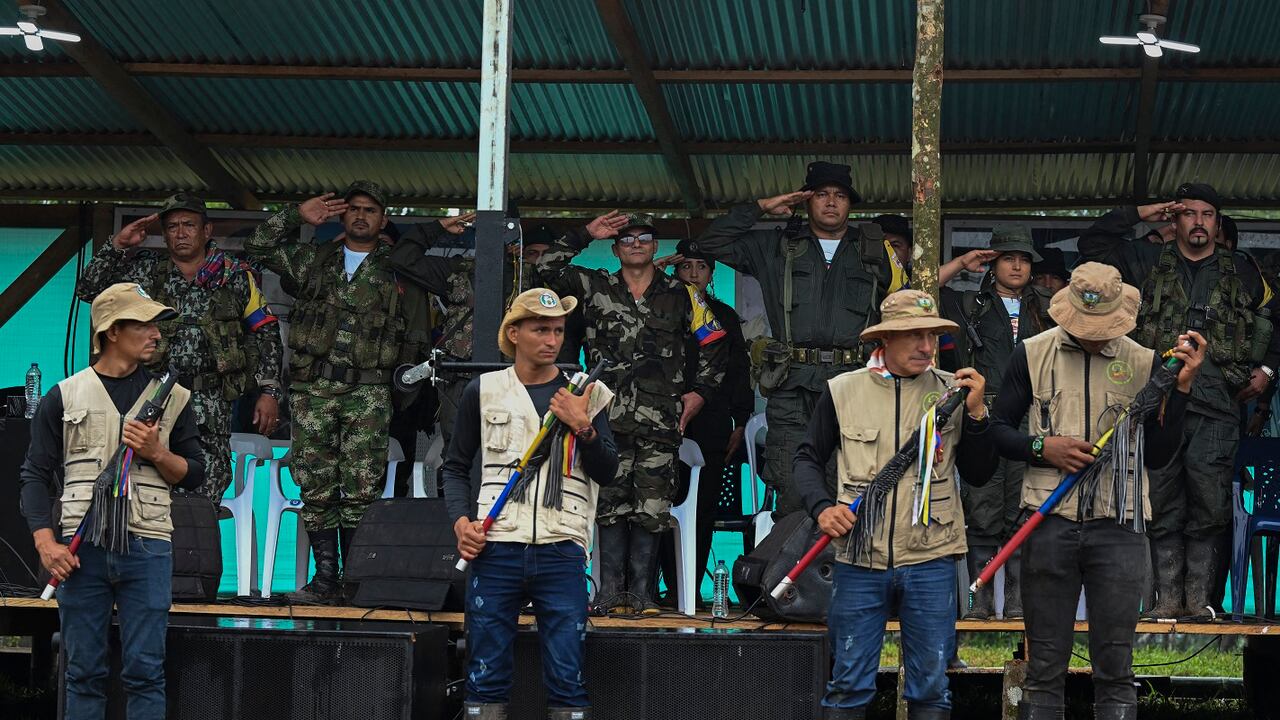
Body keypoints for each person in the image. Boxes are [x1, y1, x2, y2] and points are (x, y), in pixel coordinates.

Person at [989, 262, 1203, 720]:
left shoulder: (1145, 361)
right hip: (1047, 523)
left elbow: (1159, 455)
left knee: (1116, 666)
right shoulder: (1030, 353)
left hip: (1120, 526)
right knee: (1044, 667)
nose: (1093, 334)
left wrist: (1180, 392)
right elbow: (998, 431)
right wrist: (1043, 447)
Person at [1077, 183, 1280, 618]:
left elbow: (1275, 319)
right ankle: (1165, 602)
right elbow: (1092, 243)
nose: (1200, 221)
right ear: (1176, 220)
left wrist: (1267, 370)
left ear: (1217, 222)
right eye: (1190, 213)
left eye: (1208, 214)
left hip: (1217, 406)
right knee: (1161, 500)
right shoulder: (1145, 260)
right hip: (1159, 403)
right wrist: (1141, 211)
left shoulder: (1242, 270)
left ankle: (1201, 603)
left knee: (1210, 502)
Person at [793, 289, 996, 720]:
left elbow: (979, 474)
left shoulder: (954, 392)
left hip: (932, 558)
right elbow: (807, 459)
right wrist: (822, 508)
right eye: (913, 336)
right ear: (883, 341)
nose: (926, 347)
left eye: (932, 336)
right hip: (858, 560)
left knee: (930, 688)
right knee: (848, 686)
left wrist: (977, 416)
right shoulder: (842, 390)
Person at [20, 282, 205, 720]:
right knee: (82, 672)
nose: (156, 333)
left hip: (148, 547)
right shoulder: (64, 394)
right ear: (112, 330)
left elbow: (196, 473)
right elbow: (34, 475)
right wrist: (46, 544)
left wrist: (157, 453)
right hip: (81, 551)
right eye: (144, 323)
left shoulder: (174, 398)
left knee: (146, 672)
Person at [245, 181, 432, 603]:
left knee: (362, 489)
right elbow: (256, 249)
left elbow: (417, 337)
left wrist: (399, 395)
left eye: (370, 210)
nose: (361, 215)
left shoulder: (400, 268)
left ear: (383, 220)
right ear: (341, 216)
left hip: (369, 392)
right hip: (314, 390)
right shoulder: (313, 260)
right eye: (353, 209)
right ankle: (325, 580)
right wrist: (296, 214)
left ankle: (357, 579)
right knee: (315, 486)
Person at [537, 211, 728, 613]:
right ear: (615, 248)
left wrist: (701, 394)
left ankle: (642, 595)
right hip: (604, 419)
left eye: (644, 238)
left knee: (652, 508)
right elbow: (545, 267)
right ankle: (609, 592)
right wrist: (585, 233)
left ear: (656, 246)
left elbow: (714, 342)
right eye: (627, 239)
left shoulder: (682, 293)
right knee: (608, 504)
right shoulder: (593, 285)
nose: (636, 244)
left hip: (661, 420)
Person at [694, 161, 908, 519]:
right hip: (792, 389)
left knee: (850, 493)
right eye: (821, 194)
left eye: (839, 196)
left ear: (849, 204)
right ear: (806, 200)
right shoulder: (778, 246)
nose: (830, 203)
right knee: (794, 494)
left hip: (854, 387)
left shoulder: (873, 250)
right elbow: (708, 242)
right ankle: (789, 577)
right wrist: (762, 206)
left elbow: (907, 309)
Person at [444, 288, 618, 720]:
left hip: (562, 547)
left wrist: (584, 427)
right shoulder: (481, 391)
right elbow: (454, 467)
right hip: (496, 544)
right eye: (541, 329)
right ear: (514, 333)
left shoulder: (588, 394)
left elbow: (609, 470)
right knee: (484, 674)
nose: (552, 339)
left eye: (558, 330)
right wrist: (461, 522)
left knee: (568, 676)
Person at [75, 193, 282, 501]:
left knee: (202, 500)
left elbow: (265, 332)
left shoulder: (235, 277)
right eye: (172, 226)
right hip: (149, 400)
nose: (181, 233)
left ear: (207, 231)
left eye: (189, 225)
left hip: (208, 404)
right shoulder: (144, 274)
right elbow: (88, 290)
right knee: (144, 497)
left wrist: (269, 391)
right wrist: (117, 246)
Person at [939, 224, 1056, 620]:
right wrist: (960, 264)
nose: (1018, 266)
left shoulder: (1049, 304)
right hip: (982, 416)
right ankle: (978, 603)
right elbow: (915, 292)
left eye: (1024, 259)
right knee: (982, 510)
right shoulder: (969, 302)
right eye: (1009, 258)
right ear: (993, 262)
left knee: (1026, 510)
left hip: (1031, 419)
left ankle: (1021, 607)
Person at [654, 238, 755, 602]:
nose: (693, 274)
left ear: (711, 273)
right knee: (658, 506)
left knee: (702, 509)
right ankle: (658, 590)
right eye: (686, 266)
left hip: (712, 422)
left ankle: (691, 590)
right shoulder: (658, 309)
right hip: (659, 419)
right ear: (674, 270)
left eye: (701, 266)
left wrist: (740, 421)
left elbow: (739, 372)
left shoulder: (724, 316)